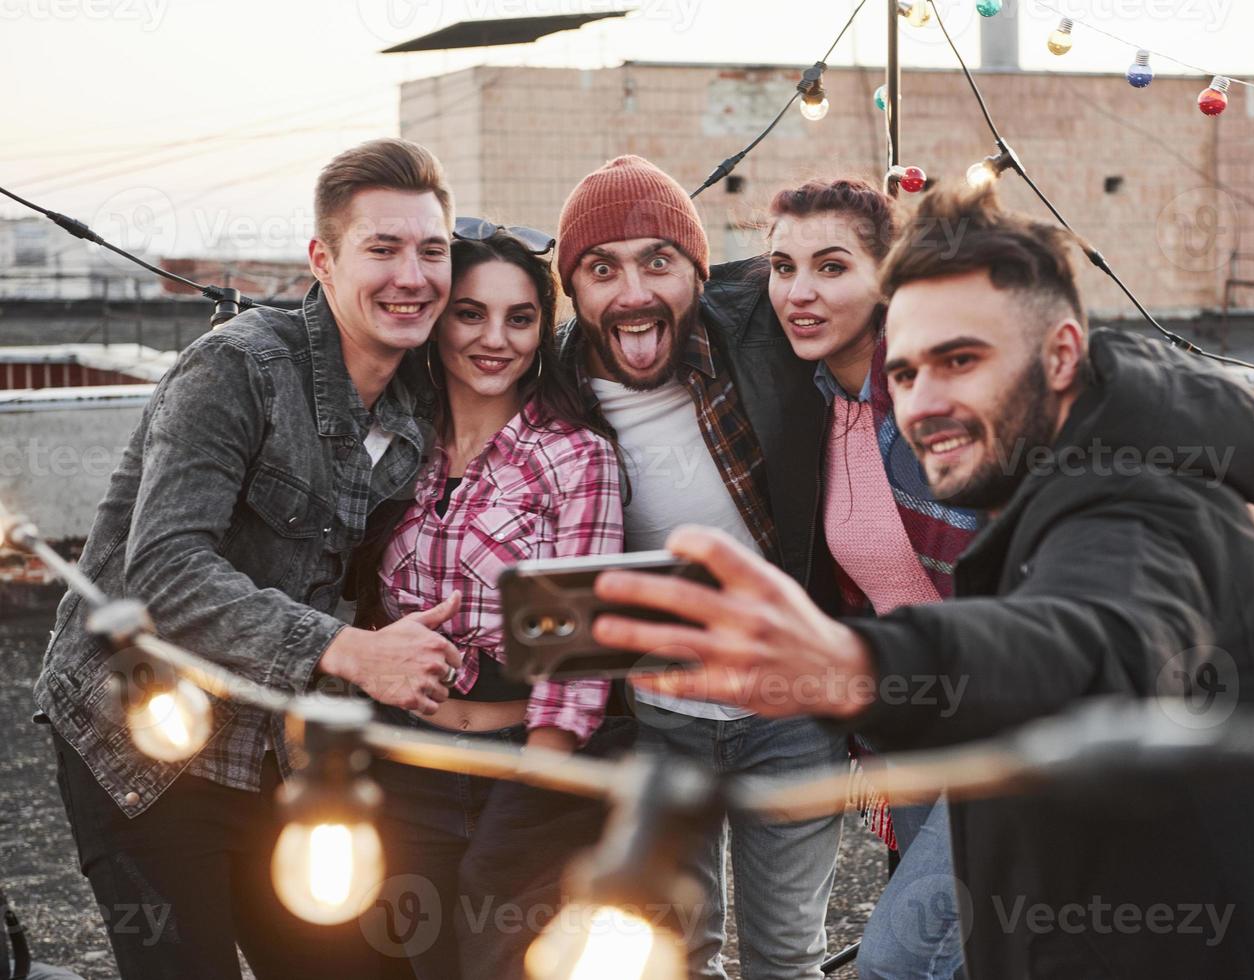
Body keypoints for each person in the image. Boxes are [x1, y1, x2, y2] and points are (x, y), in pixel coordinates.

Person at [591, 185, 1254, 979]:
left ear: (1059, 354)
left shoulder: (1136, 495)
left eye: (961, 360)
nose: (924, 404)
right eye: (904, 375)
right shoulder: (1021, 478)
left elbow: (1096, 643)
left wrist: (858, 662)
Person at [33, 138, 462, 979]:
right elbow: (163, 568)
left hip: (278, 748)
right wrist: (354, 652)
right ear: (322, 260)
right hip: (141, 739)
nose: (412, 275)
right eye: (382, 248)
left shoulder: (421, 396)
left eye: (432, 250)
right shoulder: (238, 366)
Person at [554, 154, 848, 980]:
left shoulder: (763, 328)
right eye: (601, 268)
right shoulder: (547, 382)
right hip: (654, 720)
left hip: (790, 709)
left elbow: (875, 279)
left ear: (699, 270)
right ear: (572, 290)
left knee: (787, 957)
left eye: (659, 260)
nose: (634, 291)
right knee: (675, 957)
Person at [351, 225, 626, 980]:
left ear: (545, 327)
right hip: (406, 754)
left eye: (520, 317)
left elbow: (578, 652)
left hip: (526, 761)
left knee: (509, 963)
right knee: (417, 962)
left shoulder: (576, 455)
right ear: (437, 319)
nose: (494, 339)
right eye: (470, 313)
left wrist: (539, 782)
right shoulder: (395, 442)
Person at [767, 176, 974, 980]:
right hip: (914, 725)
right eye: (782, 268)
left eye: (830, 266)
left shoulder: (932, 401)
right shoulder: (827, 400)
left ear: (886, 278)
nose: (799, 292)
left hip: (1003, 721)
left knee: (899, 960)